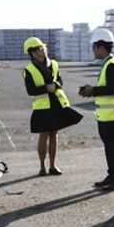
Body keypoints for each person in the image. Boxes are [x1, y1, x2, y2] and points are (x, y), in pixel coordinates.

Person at [77, 28, 114, 190]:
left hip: (112, 114)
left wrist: (93, 90)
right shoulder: (108, 64)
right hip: (107, 114)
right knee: (110, 147)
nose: (93, 50)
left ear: (101, 47)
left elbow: (111, 89)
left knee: (113, 147)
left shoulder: (111, 65)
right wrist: (91, 89)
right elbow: (107, 87)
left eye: (94, 47)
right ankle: (113, 174)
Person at [23, 36, 81, 177]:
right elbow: (30, 90)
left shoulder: (54, 64)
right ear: (31, 53)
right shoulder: (29, 69)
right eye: (39, 49)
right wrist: (45, 88)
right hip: (42, 106)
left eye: (43, 48)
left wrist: (56, 85)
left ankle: (53, 166)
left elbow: (60, 79)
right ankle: (42, 167)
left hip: (57, 103)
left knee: (54, 134)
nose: (42, 51)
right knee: (44, 135)